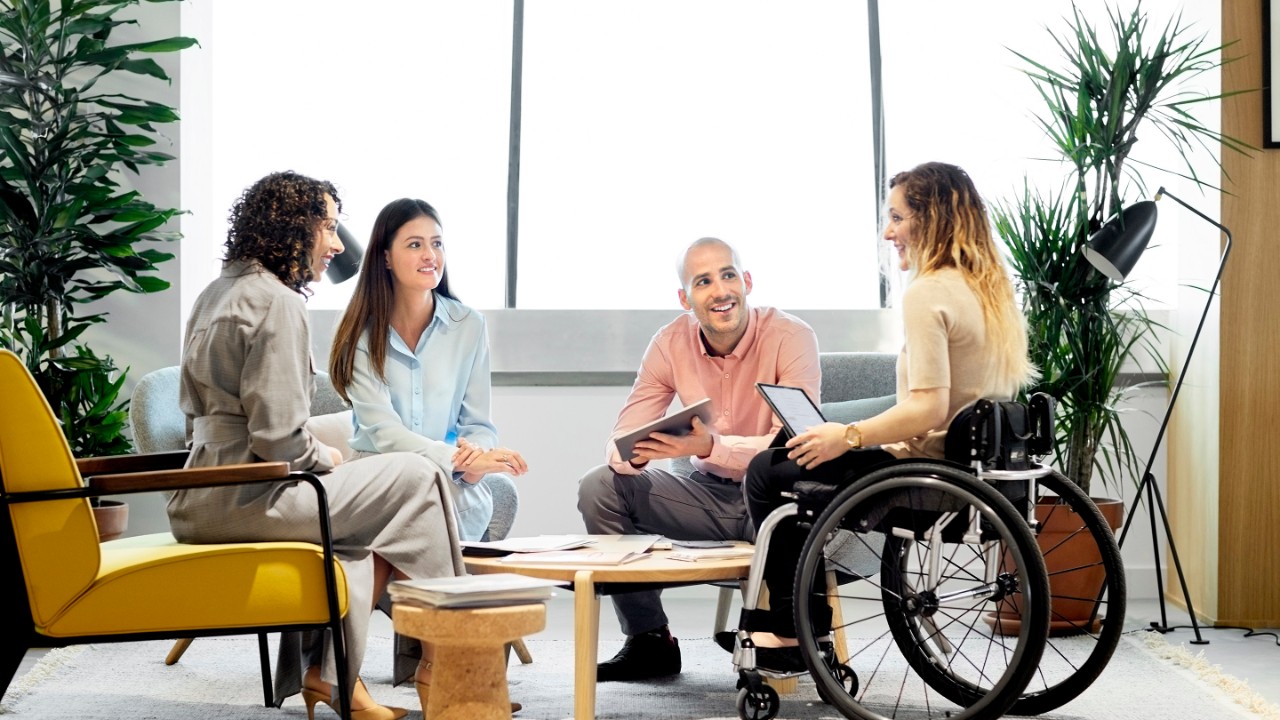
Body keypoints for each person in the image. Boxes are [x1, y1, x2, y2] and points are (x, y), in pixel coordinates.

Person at [167, 172, 466, 720]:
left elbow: (212, 416)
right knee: (421, 477)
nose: (335, 242)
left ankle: (328, 677)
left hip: (199, 494)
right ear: (291, 227)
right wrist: (322, 457)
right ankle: (454, 671)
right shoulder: (277, 302)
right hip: (251, 497)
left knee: (358, 530)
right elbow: (277, 437)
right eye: (327, 226)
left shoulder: (216, 293)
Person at [741, 161, 1038, 672]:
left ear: (932, 219)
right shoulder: (990, 289)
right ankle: (803, 620)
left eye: (897, 217)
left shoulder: (928, 293)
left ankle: (794, 629)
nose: (888, 232)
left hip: (926, 479)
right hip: (979, 475)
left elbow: (929, 408)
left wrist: (848, 436)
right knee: (790, 453)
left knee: (768, 471)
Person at [577, 236, 822, 682]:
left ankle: (793, 636)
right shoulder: (670, 342)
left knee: (786, 488)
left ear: (747, 282)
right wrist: (646, 450)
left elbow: (794, 448)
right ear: (685, 298)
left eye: (728, 275)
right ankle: (650, 641)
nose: (720, 291)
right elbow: (620, 441)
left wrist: (710, 447)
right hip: (704, 495)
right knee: (600, 486)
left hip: (772, 500)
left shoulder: (791, 337)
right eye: (703, 281)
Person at [329, 198, 528, 542]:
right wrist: (455, 459)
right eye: (415, 244)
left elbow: (478, 424)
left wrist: (474, 458)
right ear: (386, 257)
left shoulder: (468, 325)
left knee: (447, 503)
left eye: (436, 243)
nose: (430, 255)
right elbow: (384, 433)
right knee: (425, 508)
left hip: (447, 479)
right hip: (377, 475)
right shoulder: (359, 331)